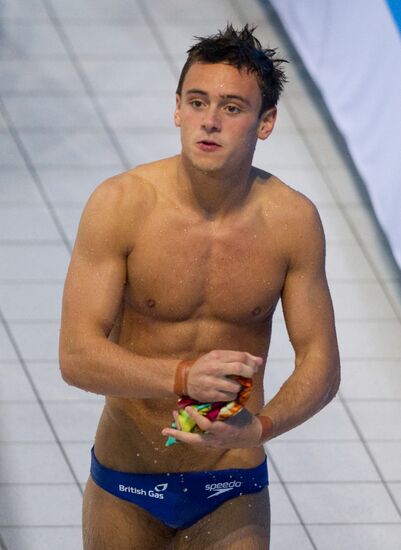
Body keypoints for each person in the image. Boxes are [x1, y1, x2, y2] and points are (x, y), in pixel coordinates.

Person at [59, 24, 340, 550]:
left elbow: (322, 363)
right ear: (177, 109)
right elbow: (76, 356)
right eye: (197, 102)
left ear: (266, 122)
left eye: (233, 108)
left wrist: (264, 427)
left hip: (230, 482)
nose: (209, 121)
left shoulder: (291, 222)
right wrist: (182, 374)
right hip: (127, 477)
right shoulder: (121, 205)